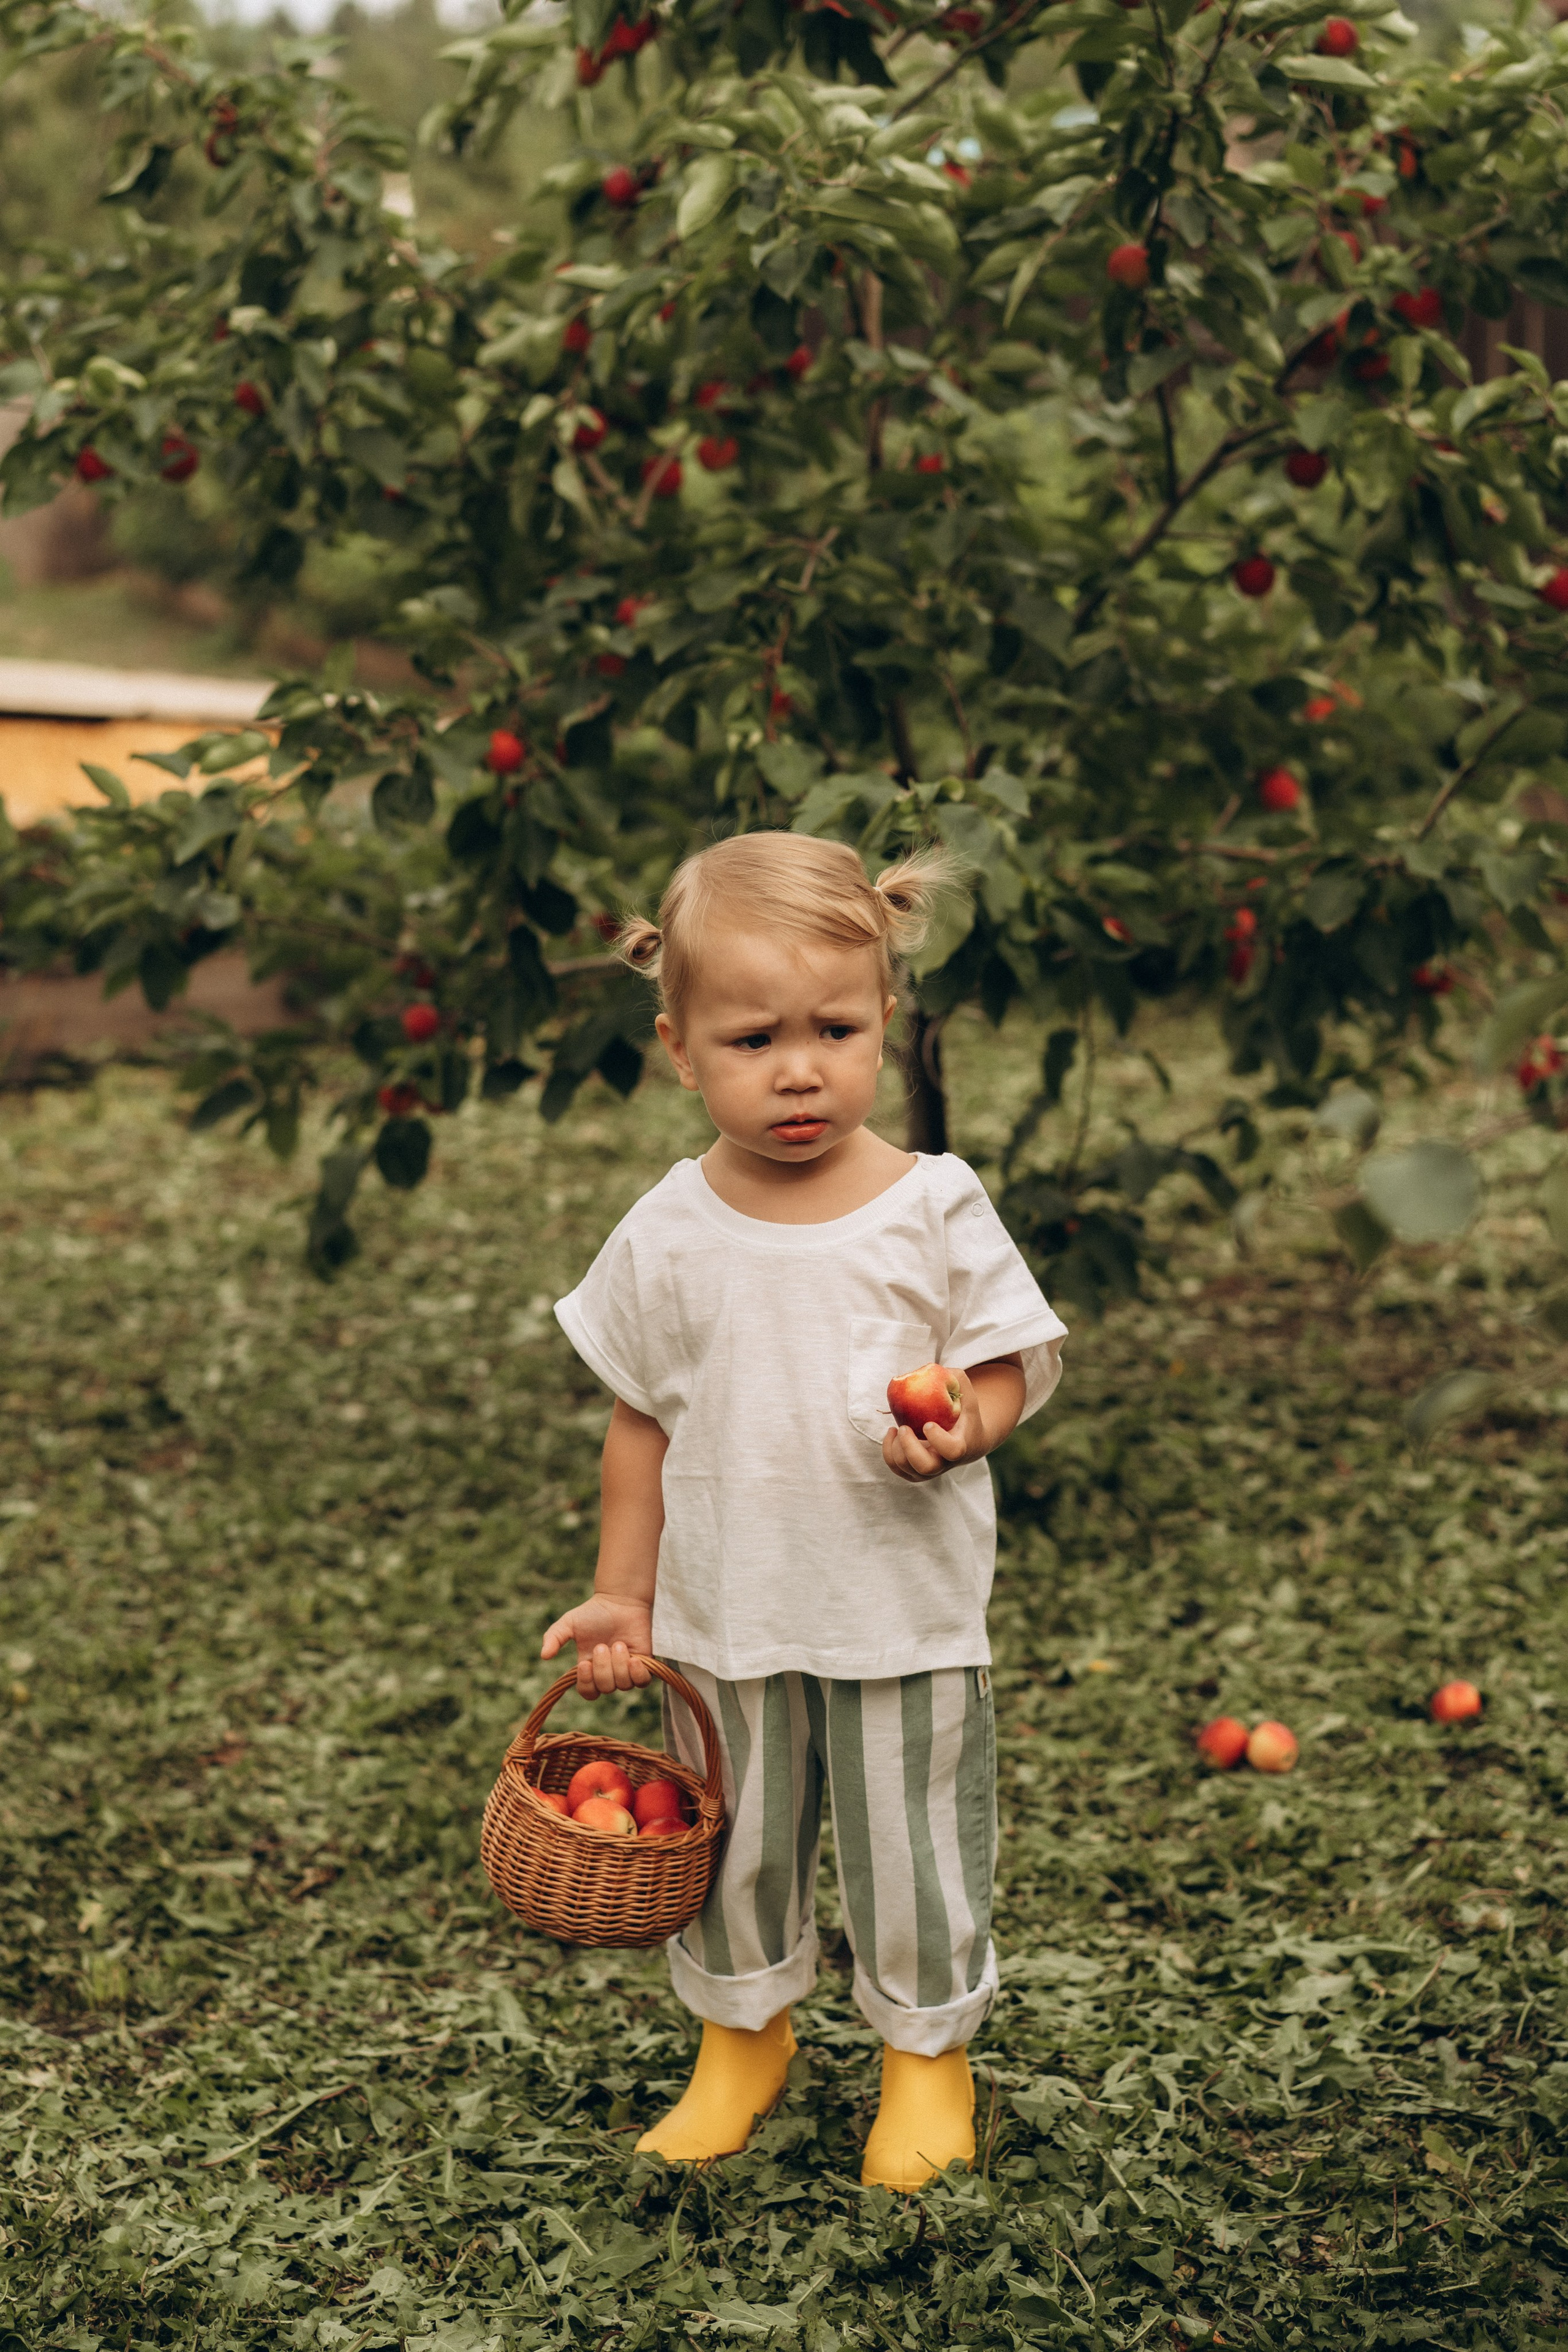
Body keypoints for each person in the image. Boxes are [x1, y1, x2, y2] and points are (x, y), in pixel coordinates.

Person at [544, 832, 1067, 2190]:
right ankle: (742, 2043)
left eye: (833, 1029)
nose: (795, 1067)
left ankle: (925, 2063)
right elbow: (640, 1419)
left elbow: (1008, 1358)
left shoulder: (931, 1205)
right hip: (727, 1613)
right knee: (736, 1853)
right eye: (749, 1038)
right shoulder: (668, 1228)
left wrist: (969, 1418)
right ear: (677, 1047)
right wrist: (621, 1592)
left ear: (884, 1021)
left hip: (900, 1612)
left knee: (913, 1856)